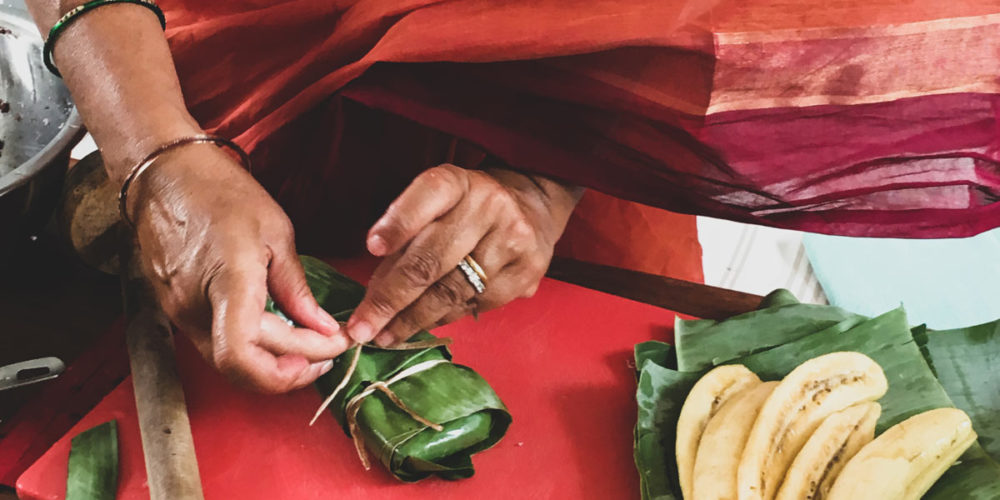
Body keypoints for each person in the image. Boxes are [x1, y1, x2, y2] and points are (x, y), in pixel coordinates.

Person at [25, 0, 1000, 394]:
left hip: (611, 171)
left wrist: (545, 174)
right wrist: (153, 148)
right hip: (227, 108)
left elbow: (755, 33)